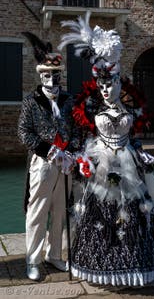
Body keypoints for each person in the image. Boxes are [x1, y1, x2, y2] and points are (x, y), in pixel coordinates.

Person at [58, 12, 154, 286]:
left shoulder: (131, 108)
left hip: (129, 163)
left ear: (120, 83)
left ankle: (137, 266)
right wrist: (81, 158)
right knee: (99, 215)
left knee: (135, 215)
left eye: (111, 84)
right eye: (102, 85)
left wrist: (142, 152)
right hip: (101, 163)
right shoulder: (90, 107)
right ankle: (99, 264)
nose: (106, 90)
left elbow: (134, 137)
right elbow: (81, 135)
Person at [18, 32, 79, 281]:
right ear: (40, 74)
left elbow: (78, 129)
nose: (51, 78)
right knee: (37, 211)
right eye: (47, 74)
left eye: (55, 74)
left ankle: (54, 255)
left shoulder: (69, 100)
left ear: (60, 75)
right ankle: (33, 259)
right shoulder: (31, 101)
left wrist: (71, 152)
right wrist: (48, 151)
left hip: (65, 164)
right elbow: (23, 132)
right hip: (43, 163)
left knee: (60, 212)